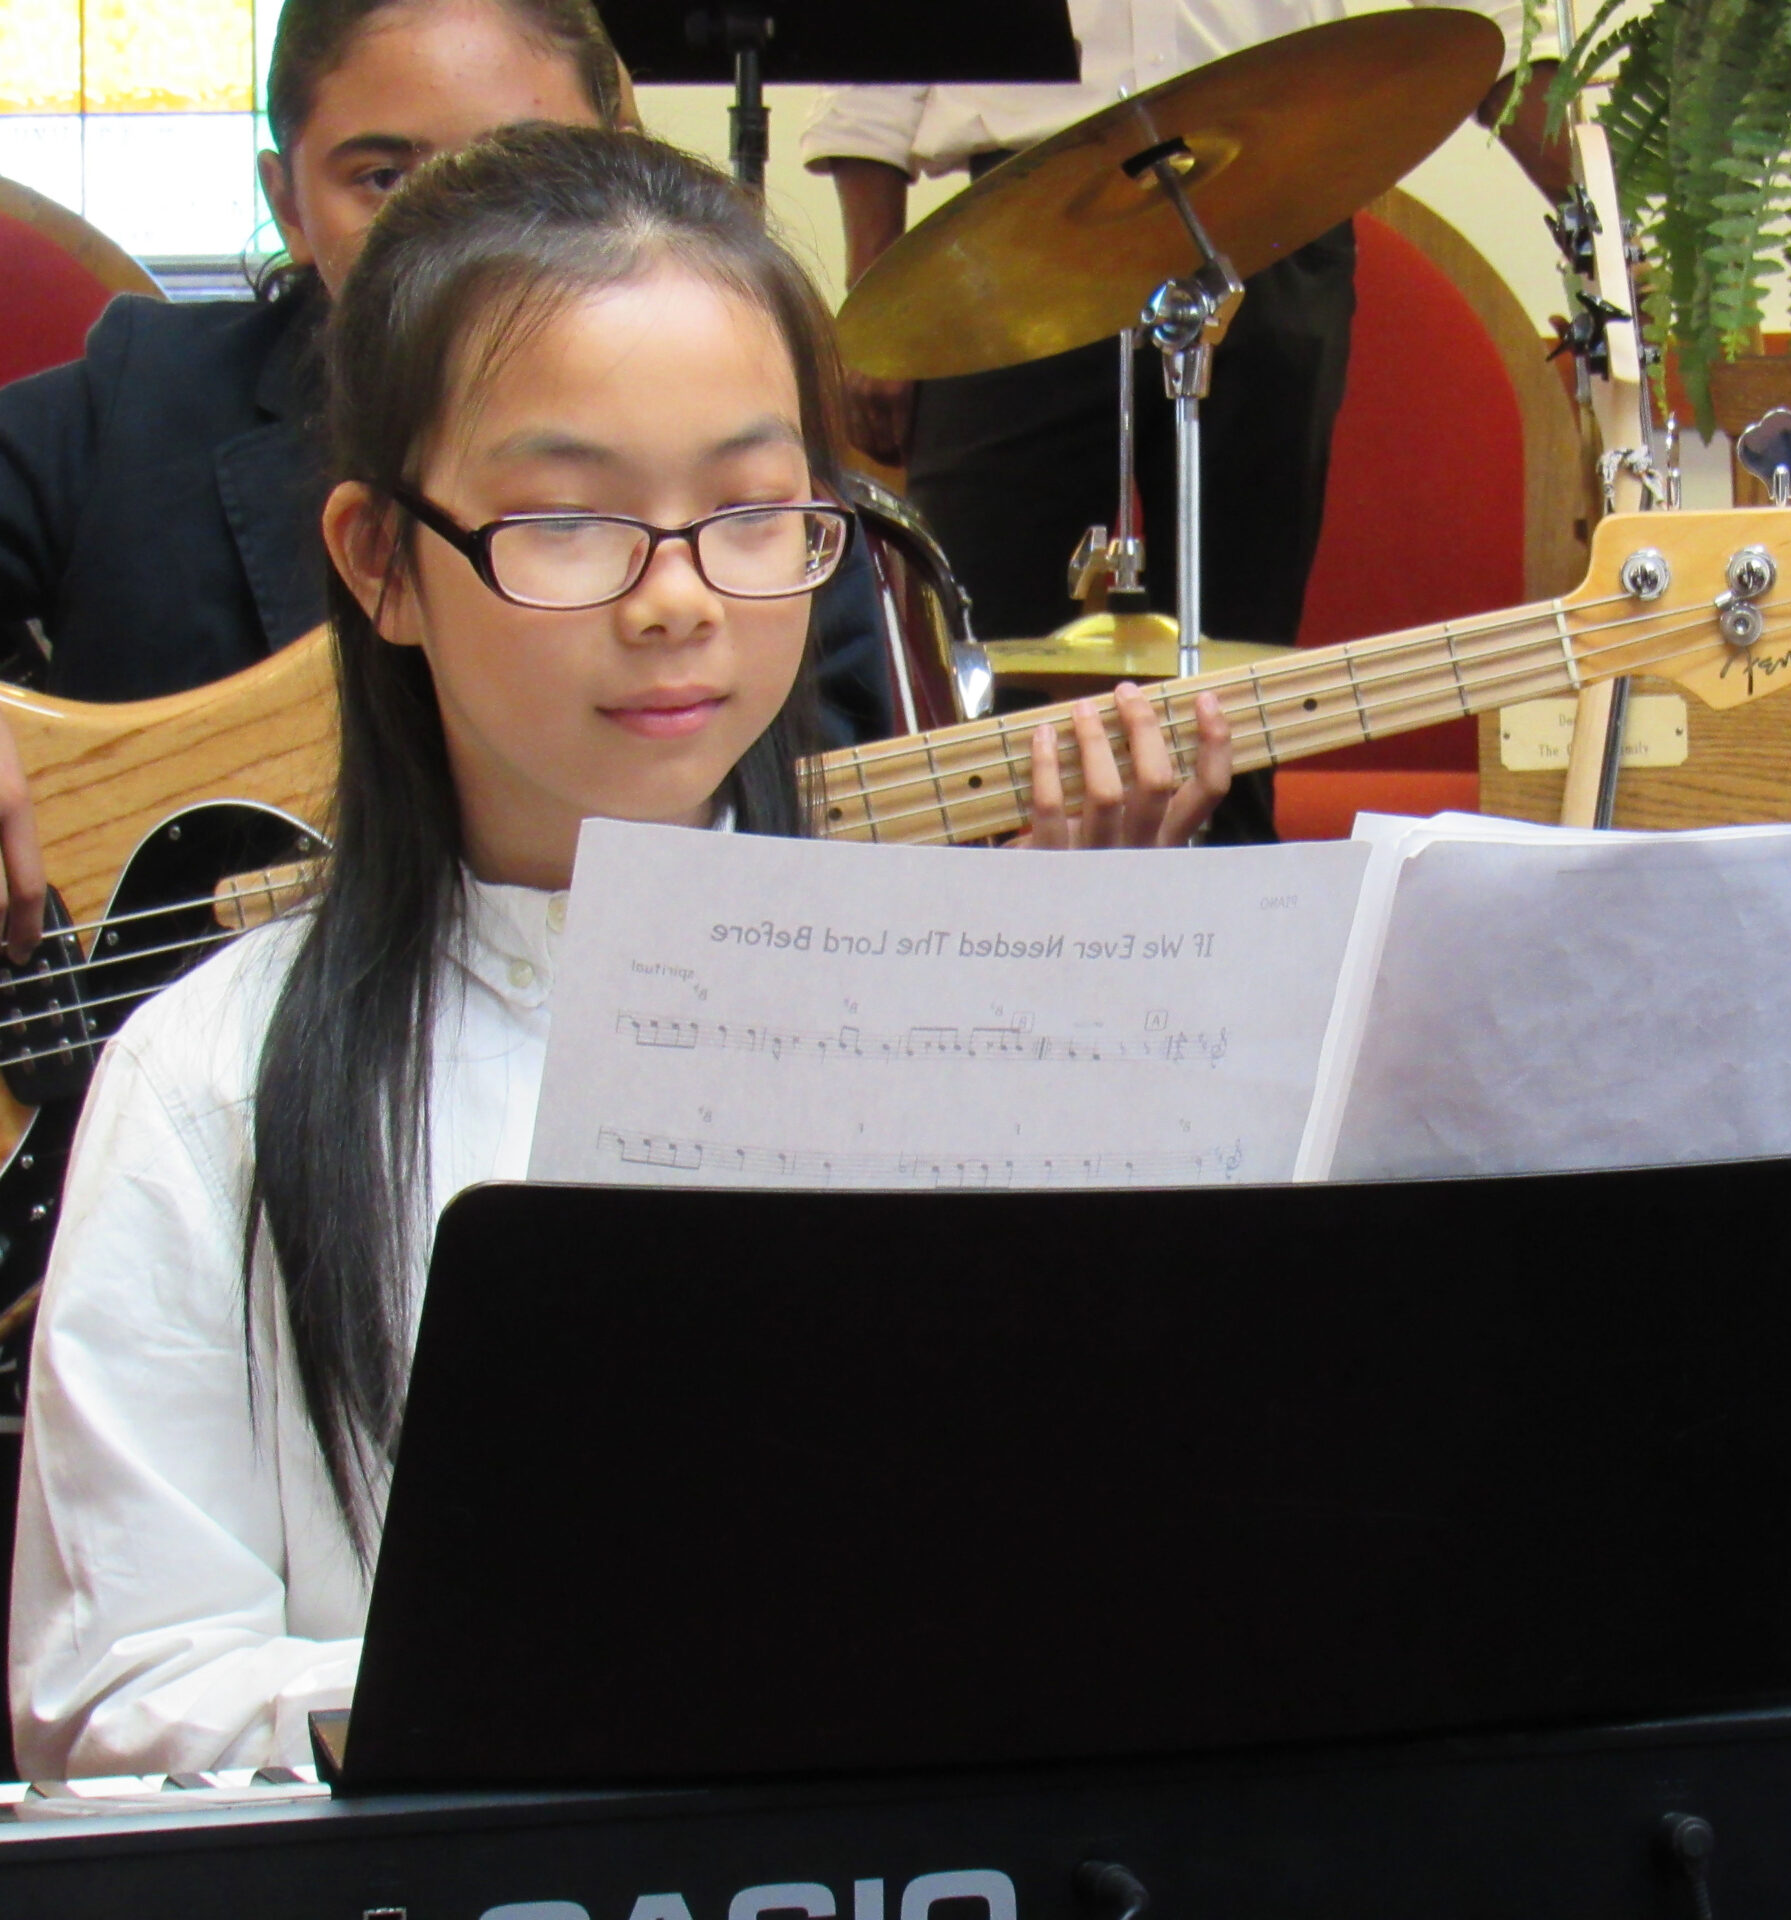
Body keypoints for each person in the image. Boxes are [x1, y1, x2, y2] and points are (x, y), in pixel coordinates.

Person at [7, 122, 1231, 1778]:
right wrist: (563, 1684)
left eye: (751, 508)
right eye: (571, 520)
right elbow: (115, 1695)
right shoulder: (206, 1077)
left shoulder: (942, 1013)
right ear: (380, 561)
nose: (679, 599)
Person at [0, 0, 893, 963]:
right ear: (288, 203)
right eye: (384, 179)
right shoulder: (144, 398)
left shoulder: (766, 512)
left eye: (532, 170)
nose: (462, 232)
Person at [806, 1, 1568, 841]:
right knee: (986, 680)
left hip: (1271, 200)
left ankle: (1233, 903)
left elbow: (1499, 24)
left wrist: (1609, 227)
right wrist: (873, 283)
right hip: (1012, 222)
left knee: (1234, 694)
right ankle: (997, 913)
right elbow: (873, 66)